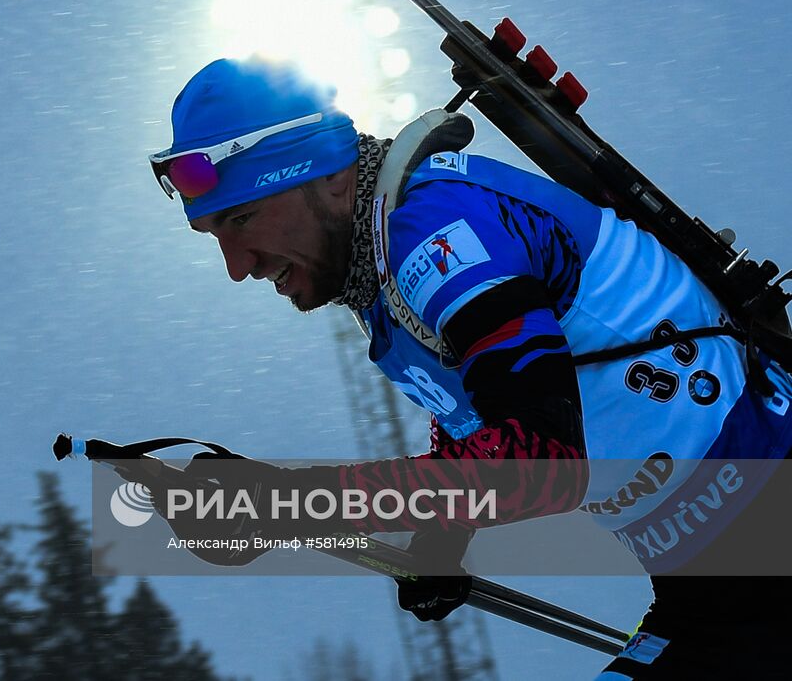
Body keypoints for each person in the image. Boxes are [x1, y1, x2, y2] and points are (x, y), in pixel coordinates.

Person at [145, 56, 792, 678]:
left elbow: (541, 461)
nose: (237, 265)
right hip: (717, 586)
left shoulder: (434, 229)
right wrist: (439, 540)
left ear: (330, 175)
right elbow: (477, 417)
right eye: (215, 236)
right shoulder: (384, 285)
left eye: (242, 218)